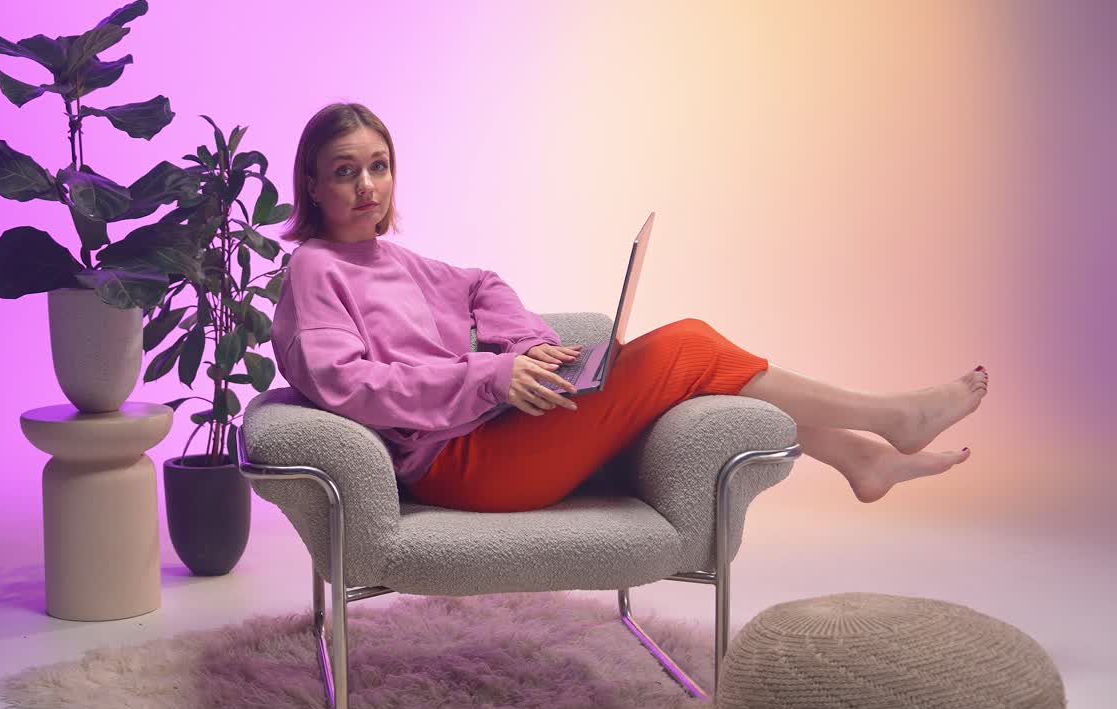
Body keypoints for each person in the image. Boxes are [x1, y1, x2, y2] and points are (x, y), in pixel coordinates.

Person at [270, 102, 990, 513]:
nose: (368, 185)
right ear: (312, 183)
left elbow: (483, 283)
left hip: (493, 431)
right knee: (690, 346)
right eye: (345, 172)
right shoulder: (314, 268)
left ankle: (856, 455)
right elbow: (349, 385)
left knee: (690, 365)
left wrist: (523, 349)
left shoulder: (399, 260)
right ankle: (889, 420)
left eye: (379, 166)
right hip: (457, 464)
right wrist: (484, 378)